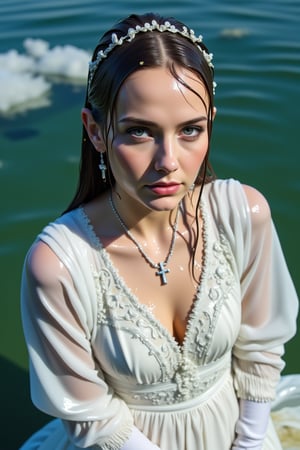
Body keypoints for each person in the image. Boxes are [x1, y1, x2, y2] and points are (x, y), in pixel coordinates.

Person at [20, 12, 298, 450]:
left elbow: (261, 348)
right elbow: (89, 413)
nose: (168, 160)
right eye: (139, 132)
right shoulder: (58, 264)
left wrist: (249, 442)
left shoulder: (243, 215)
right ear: (95, 131)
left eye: (191, 130)